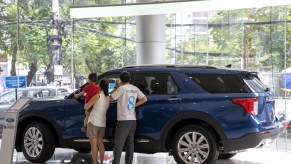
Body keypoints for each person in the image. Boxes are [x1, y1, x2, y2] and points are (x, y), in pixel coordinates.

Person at [110, 71, 147, 164]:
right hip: (132, 120)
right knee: (130, 144)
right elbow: (144, 99)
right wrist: (134, 105)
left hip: (124, 120)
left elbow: (111, 98)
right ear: (129, 79)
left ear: (121, 79)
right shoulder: (134, 88)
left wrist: (116, 86)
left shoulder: (121, 88)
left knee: (118, 144)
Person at [84, 79, 110, 164]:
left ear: (99, 86)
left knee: (94, 145)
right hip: (102, 123)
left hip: (93, 122)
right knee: (101, 144)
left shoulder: (97, 96)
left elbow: (86, 107)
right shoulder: (108, 98)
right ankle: (101, 162)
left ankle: (95, 163)